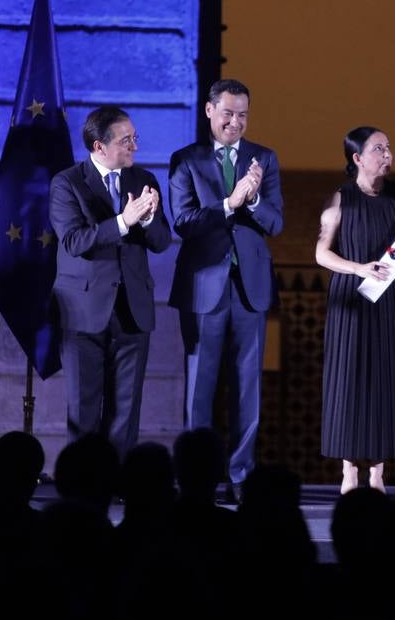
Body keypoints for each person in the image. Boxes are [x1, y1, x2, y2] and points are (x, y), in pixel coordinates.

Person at [168, 78, 283, 502]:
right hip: (204, 287)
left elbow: (275, 223)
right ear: (209, 111)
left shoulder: (264, 159)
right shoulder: (187, 160)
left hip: (249, 288)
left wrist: (252, 200)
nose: (236, 122)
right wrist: (230, 204)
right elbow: (183, 222)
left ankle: (240, 475)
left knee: (247, 386)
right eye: (228, 113)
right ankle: (195, 479)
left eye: (243, 115)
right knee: (200, 387)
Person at [315, 127, 395, 494]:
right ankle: (349, 469)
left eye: (389, 148)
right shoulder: (341, 199)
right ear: (357, 158)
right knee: (348, 380)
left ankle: (378, 472)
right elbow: (321, 254)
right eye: (379, 148)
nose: (388, 154)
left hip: (391, 297)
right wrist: (358, 268)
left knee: (386, 378)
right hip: (351, 297)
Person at [50, 105, 171, 457]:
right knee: (84, 408)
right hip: (83, 311)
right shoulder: (67, 182)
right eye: (125, 140)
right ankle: (83, 484)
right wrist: (123, 220)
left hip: (133, 311)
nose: (134, 146)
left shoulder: (143, 179)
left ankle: (118, 484)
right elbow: (74, 242)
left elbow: (162, 242)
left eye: (135, 138)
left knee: (125, 409)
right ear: (98, 146)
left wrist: (147, 221)